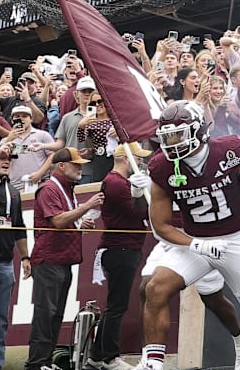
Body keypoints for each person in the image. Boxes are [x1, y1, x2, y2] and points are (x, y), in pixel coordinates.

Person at [137, 100, 240, 370]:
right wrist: (195, 244)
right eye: (166, 137)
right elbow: (161, 226)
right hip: (195, 243)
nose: (171, 143)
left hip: (236, 240)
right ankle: (153, 363)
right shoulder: (162, 166)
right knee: (155, 289)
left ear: (199, 130)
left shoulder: (230, 150)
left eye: (177, 135)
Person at [25, 147, 105, 370]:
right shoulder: (49, 188)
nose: (80, 168)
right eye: (76, 164)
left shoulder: (66, 189)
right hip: (49, 260)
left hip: (62, 260)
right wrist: (87, 206)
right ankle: (36, 363)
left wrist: (79, 222)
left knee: (55, 313)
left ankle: (45, 362)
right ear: (61, 166)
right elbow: (58, 221)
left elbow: (64, 220)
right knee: (45, 313)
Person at [84, 142, 152, 370]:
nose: (141, 162)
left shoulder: (117, 182)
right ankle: (110, 358)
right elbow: (138, 211)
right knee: (116, 306)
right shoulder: (116, 183)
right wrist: (141, 192)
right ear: (126, 159)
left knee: (115, 305)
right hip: (121, 248)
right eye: (137, 158)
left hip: (122, 248)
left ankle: (96, 356)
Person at [0, 142, 30, 370]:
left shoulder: (13, 191)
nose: (6, 161)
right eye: (2, 157)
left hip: (3, 261)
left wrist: (25, 257)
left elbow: (19, 226)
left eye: (10, 159)